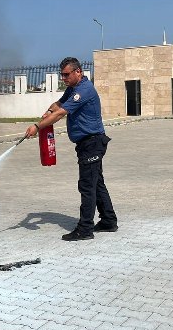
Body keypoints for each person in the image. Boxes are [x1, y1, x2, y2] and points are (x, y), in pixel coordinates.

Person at [24, 57, 117, 241]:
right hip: (87, 144)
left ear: (78, 72)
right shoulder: (72, 89)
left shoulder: (83, 90)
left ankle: (85, 229)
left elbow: (60, 113)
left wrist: (37, 126)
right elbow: (57, 105)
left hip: (92, 143)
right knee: (97, 183)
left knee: (87, 186)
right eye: (62, 75)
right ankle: (108, 220)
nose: (64, 78)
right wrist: (48, 112)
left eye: (67, 75)